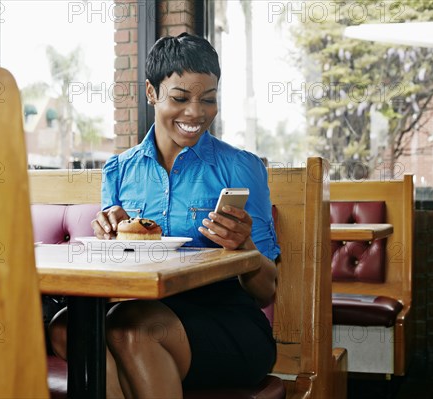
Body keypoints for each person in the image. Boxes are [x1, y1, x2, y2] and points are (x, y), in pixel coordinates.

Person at [49, 32, 280, 398]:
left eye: (208, 99)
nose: (195, 112)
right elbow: (117, 273)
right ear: (151, 93)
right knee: (68, 327)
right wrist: (109, 239)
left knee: (134, 330)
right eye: (180, 98)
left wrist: (246, 247)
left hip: (227, 322)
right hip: (140, 310)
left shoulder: (240, 167)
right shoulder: (119, 170)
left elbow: (267, 288)